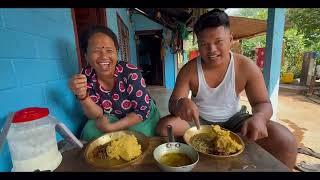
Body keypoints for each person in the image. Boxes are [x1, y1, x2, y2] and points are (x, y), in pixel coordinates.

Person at [156, 9, 297, 170]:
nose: (212, 50)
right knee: (164, 126)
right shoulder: (189, 70)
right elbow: (173, 103)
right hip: (198, 123)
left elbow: (263, 103)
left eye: (218, 42)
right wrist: (181, 103)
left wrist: (260, 117)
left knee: (286, 140)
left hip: (237, 121)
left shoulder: (246, 67)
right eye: (204, 44)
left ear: (230, 40)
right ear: (198, 44)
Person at [69, 26, 161, 141]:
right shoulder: (86, 76)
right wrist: (83, 96)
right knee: (89, 132)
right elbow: (96, 114)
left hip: (138, 116)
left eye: (109, 50)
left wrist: (112, 128)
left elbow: (142, 111)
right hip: (110, 116)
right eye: (96, 51)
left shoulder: (131, 73)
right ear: (86, 55)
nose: (104, 57)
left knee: (138, 137)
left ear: (116, 53)